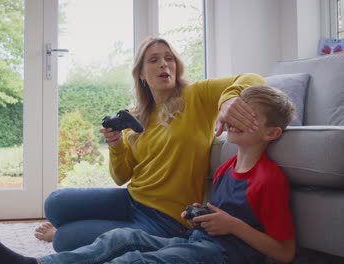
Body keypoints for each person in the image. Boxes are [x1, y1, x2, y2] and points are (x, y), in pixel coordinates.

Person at [0, 85, 297, 264]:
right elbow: (121, 176)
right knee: (120, 238)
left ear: (272, 133)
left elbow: (285, 252)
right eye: (239, 109)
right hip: (194, 236)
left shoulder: (268, 180)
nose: (237, 118)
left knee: (134, 261)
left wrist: (231, 225)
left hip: (223, 255)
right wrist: (199, 214)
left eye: (249, 116)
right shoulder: (227, 166)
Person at [34, 37, 264, 252]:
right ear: (142, 74)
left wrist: (230, 98)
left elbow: (253, 78)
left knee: (64, 239)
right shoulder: (137, 116)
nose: (164, 64)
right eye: (154, 60)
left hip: (167, 219)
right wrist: (116, 146)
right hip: (131, 200)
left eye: (169, 58)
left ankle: (89, 233)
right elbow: (121, 177)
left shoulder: (197, 95)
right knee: (55, 203)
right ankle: (105, 229)